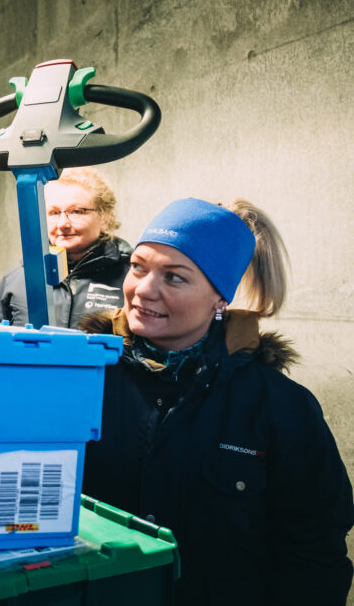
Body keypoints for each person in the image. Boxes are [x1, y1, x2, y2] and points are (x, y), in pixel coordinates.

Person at [80, 197, 354, 605]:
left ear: (220, 299)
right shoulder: (85, 380)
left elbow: (312, 553)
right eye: (139, 267)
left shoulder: (279, 407)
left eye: (174, 277)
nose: (143, 290)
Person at [0, 167, 130, 327]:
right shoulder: (18, 279)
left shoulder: (132, 278)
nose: (62, 224)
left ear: (105, 217)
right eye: (54, 213)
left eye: (77, 211)